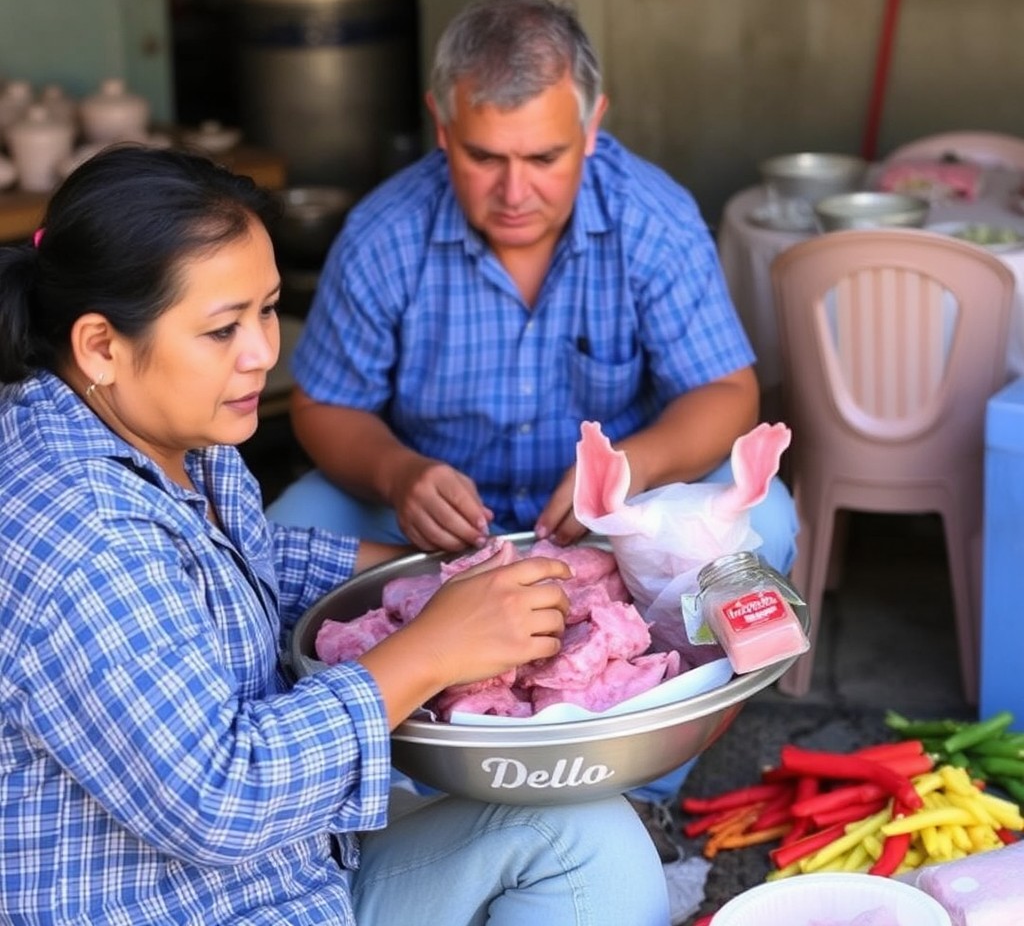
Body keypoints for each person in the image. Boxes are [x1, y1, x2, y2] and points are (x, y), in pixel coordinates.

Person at [0, 145, 670, 925]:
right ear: (101, 346)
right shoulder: (75, 533)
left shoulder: (167, 438)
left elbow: (233, 565)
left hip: (289, 876)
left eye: (267, 308)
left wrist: (429, 578)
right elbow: (223, 796)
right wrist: (429, 651)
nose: (262, 352)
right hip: (190, 903)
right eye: (222, 331)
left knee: (594, 843)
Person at [268, 0, 797, 580]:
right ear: (442, 127)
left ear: (591, 126)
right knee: (283, 538)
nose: (515, 194)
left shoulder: (652, 221)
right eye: (484, 157)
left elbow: (727, 391)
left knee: (766, 522)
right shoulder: (382, 236)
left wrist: (633, 467)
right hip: (429, 525)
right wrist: (399, 475)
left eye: (544, 158)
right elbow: (324, 405)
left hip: (621, 516)